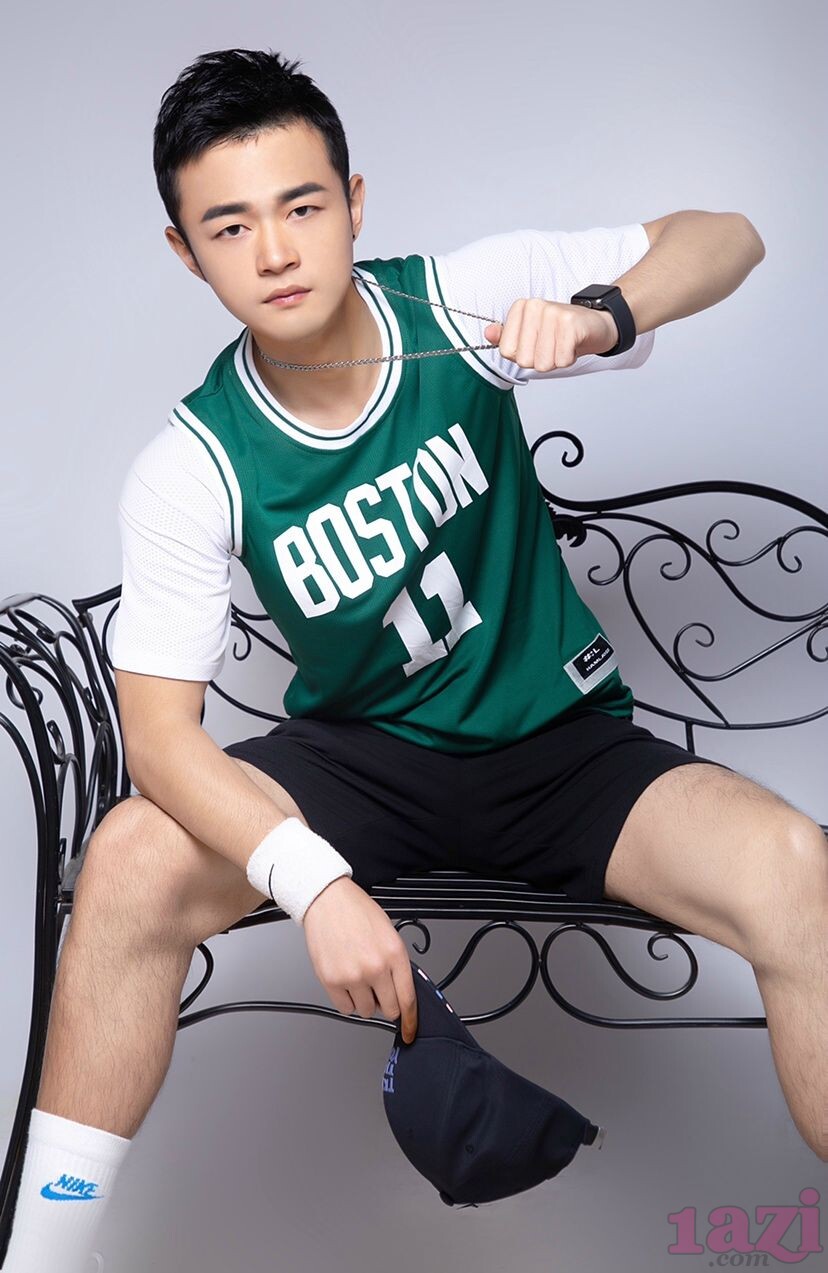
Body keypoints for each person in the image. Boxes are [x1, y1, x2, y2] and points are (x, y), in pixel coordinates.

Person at [5, 45, 825, 1273]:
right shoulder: (192, 463)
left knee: (794, 867)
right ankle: (38, 1261)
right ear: (186, 252)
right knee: (127, 857)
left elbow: (728, 238)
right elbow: (161, 741)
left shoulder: (460, 305)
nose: (275, 251)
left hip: (564, 751)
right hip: (363, 764)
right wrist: (315, 885)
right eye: (230, 226)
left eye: (302, 206)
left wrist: (599, 314)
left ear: (354, 203)